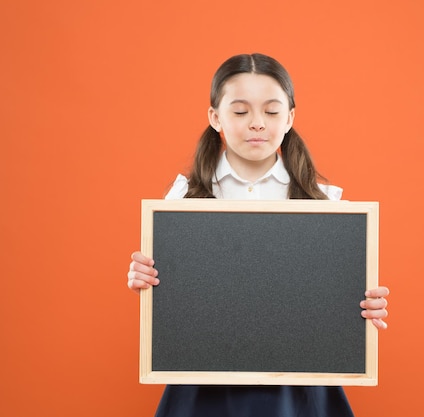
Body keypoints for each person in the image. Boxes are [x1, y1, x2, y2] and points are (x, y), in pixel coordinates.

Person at [127, 53, 390, 417]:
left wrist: (361, 306)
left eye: (271, 111)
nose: (256, 124)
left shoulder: (325, 202)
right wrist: (146, 278)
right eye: (239, 112)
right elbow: (173, 304)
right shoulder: (182, 200)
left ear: (290, 118)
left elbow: (334, 302)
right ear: (215, 117)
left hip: (297, 392)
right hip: (201, 384)